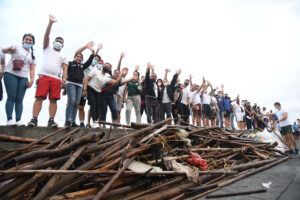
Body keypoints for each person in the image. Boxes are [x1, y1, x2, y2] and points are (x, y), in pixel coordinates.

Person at [28, 15, 68, 127]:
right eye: (57, 41)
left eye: (60, 42)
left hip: (56, 79)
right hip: (44, 76)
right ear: (53, 42)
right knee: (39, 98)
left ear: (63, 45)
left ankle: (51, 120)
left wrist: (64, 80)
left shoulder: (63, 56)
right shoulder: (47, 48)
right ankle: (34, 119)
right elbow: (46, 36)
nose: (58, 43)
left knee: (54, 100)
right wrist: (50, 23)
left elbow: (65, 69)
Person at [2, 34, 36, 126]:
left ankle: (18, 120)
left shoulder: (32, 55)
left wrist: (31, 80)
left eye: (30, 40)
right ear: (23, 40)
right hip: (10, 74)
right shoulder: (16, 47)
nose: (28, 41)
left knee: (20, 99)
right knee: (11, 96)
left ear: (33, 43)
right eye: (26, 39)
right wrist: (8, 49)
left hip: (23, 77)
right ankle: (9, 119)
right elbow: (3, 51)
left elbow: (32, 69)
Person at [64, 42, 96, 127]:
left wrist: (93, 53)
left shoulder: (83, 66)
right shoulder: (70, 63)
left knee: (76, 103)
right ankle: (67, 120)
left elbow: (89, 61)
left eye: (81, 57)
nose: (79, 58)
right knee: (71, 101)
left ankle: (73, 121)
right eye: (77, 57)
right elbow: (65, 73)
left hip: (79, 85)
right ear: (74, 57)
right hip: (70, 83)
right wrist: (64, 86)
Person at [76, 44, 102, 128]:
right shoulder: (85, 64)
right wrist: (96, 50)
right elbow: (77, 52)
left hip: (88, 89)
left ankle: (90, 122)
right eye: (95, 59)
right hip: (79, 86)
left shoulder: (96, 70)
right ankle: (81, 122)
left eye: (97, 60)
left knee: (92, 105)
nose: (95, 60)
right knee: (79, 106)